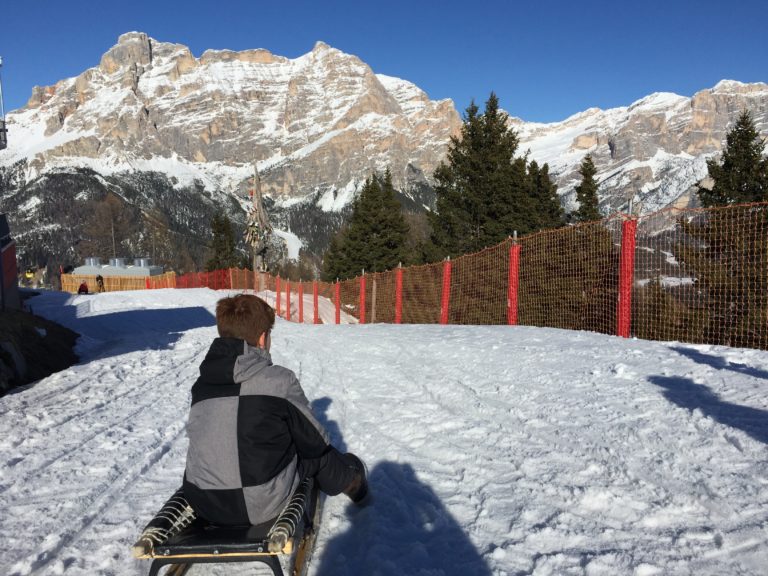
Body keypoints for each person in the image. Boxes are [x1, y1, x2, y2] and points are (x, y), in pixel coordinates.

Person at [183, 294, 368, 528]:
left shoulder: (202, 384)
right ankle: (354, 483)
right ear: (263, 338)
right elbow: (316, 443)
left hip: (204, 502)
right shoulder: (278, 381)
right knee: (315, 453)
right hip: (259, 504)